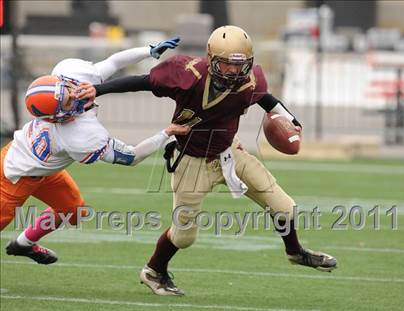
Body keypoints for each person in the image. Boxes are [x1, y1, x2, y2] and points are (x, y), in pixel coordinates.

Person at [77, 25, 337, 296]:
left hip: (229, 153)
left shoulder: (251, 81)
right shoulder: (186, 75)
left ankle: (295, 252)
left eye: (241, 65)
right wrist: (98, 90)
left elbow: (267, 100)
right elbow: (142, 81)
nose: (235, 72)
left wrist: (291, 120)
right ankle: (154, 271)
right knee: (184, 237)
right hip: (191, 160)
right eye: (227, 65)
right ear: (211, 58)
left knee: (284, 206)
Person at [1, 38, 191, 265]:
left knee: (72, 210)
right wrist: (166, 133)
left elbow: (111, 63)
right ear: (58, 118)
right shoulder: (76, 135)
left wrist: (148, 50)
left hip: (41, 167)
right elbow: (131, 157)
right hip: (13, 178)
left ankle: (23, 244)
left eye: (68, 90)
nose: (75, 96)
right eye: (68, 102)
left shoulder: (71, 74)